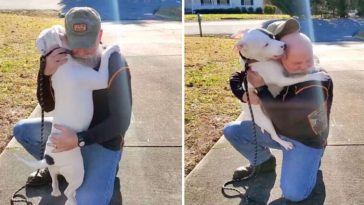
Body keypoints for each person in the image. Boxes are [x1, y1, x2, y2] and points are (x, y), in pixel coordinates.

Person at [13, 7, 132, 204]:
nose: (82, 51)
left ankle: (108, 173)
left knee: (86, 200)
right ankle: (59, 167)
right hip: (69, 130)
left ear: (100, 35)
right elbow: (47, 105)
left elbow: (121, 121)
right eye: (75, 44)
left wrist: (80, 140)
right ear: (65, 38)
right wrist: (46, 73)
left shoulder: (114, 61)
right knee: (23, 131)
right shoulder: (60, 58)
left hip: (102, 141)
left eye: (88, 44)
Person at [224, 19, 333, 202]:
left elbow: (284, 118)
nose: (305, 66)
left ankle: (311, 165)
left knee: (293, 193)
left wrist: (261, 89)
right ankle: (264, 163)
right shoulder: (273, 59)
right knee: (232, 131)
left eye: (308, 58)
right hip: (278, 131)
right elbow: (238, 74)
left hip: (304, 140)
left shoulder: (317, 83)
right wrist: (242, 93)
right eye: (296, 62)